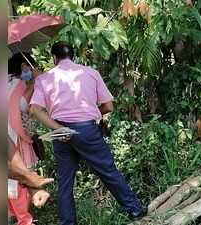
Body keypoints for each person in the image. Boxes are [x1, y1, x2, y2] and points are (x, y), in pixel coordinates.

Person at [29, 42, 145, 225]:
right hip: (86, 128)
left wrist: (58, 128)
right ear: (73, 56)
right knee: (108, 171)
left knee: (65, 181)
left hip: (59, 131)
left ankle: (67, 222)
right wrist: (89, 117)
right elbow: (108, 106)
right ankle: (135, 210)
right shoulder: (91, 73)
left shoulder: (44, 78)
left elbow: (35, 110)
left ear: (54, 58)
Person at [8, 53, 51, 225]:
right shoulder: (18, 84)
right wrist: (34, 83)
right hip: (14, 137)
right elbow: (23, 106)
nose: (30, 71)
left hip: (10, 135)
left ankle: (15, 216)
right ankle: (23, 218)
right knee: (20, 175)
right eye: (28, 68)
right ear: (22, 68)